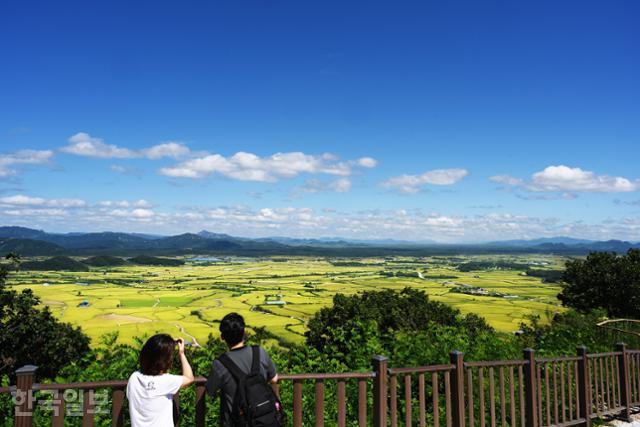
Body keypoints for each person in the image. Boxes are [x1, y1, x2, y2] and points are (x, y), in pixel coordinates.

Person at [206, 312, 282, 427]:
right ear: (244, 333)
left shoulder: (220, 364)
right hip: (265, 420)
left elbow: (210, 390)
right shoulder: (259, 352)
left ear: (222, 337)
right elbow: (274, 379)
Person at [127, 334, 195, 427]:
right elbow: (189, 378)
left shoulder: (134, 378)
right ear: (165, 361)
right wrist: (181, 353)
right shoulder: (165, 381)